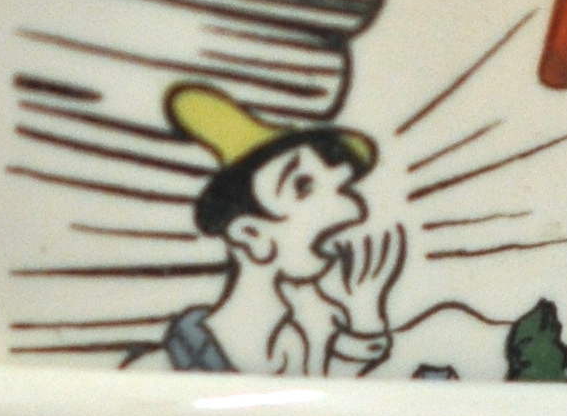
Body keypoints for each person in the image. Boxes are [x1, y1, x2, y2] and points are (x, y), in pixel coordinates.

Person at [136, 84, 408, 376]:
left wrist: (363, 312)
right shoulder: (156, 368)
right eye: (303, 186)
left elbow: (336, 399)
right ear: (251, 234)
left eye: (343, 187)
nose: (354, 210)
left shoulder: (293, 346)